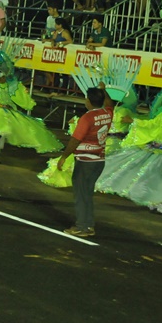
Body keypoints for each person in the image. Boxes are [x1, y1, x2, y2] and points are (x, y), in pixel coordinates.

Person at [57, 86, 113, 237]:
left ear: (88, 101)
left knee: (81, 194)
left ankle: (82, 226)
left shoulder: (87, 118)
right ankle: (88, 225)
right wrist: (104, 90)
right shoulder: (107, 113)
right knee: (87, 193)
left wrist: (64, 156)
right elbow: (109, 103)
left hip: (85, 161)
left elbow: (75, 140)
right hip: (99, 160)